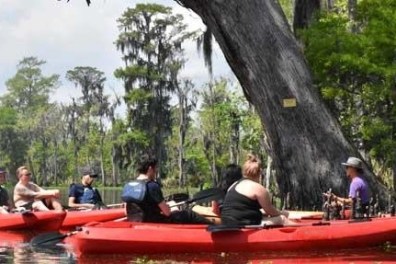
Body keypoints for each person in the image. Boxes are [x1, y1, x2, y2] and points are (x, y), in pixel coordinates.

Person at [125, 154, 212, 224]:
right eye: (156, 168)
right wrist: (170, 208)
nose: (156, 171)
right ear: (150, 168)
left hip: (138, 224)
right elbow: (167, 212)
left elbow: (127, 212)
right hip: (155, 224)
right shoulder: (152, 186)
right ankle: (213, 228)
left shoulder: (128, 186)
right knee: (189, 214)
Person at [220, 154, 295, 226]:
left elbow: (241, 208)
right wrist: (283, 213)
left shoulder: (233, 185)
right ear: (259, 173)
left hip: (227, 221)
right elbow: (271, 212)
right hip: (242, 223)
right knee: (282, 219)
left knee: (265, 217)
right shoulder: (259, 189)